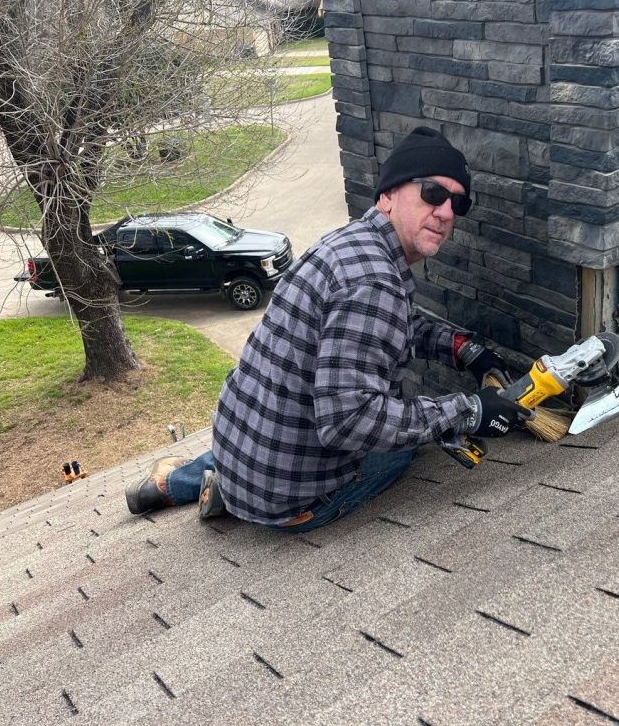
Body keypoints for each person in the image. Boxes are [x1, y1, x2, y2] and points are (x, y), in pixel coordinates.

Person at [125, 127, 532, 531]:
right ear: (388, 195)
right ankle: (230, 497)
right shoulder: (375, 283)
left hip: (243, 445)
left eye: (457, 203)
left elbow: (387, 327)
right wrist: (469, 410)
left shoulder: (351, 245)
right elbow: (347, 422)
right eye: (432, 193)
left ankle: (179, 482)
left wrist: (459, 347)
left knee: (393, 416)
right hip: (288, 498)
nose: (445, 212)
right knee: (406, 446)